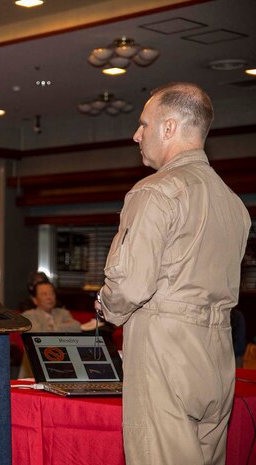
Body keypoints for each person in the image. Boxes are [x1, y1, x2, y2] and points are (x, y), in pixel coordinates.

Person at [94, 82, 251, 465]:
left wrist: (104, 307)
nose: (137, 134)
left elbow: (130, 284)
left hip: (164, 351)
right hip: (218, 353)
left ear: (168, 128)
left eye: (143, 124)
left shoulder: (156, 192)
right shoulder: (233, 204)